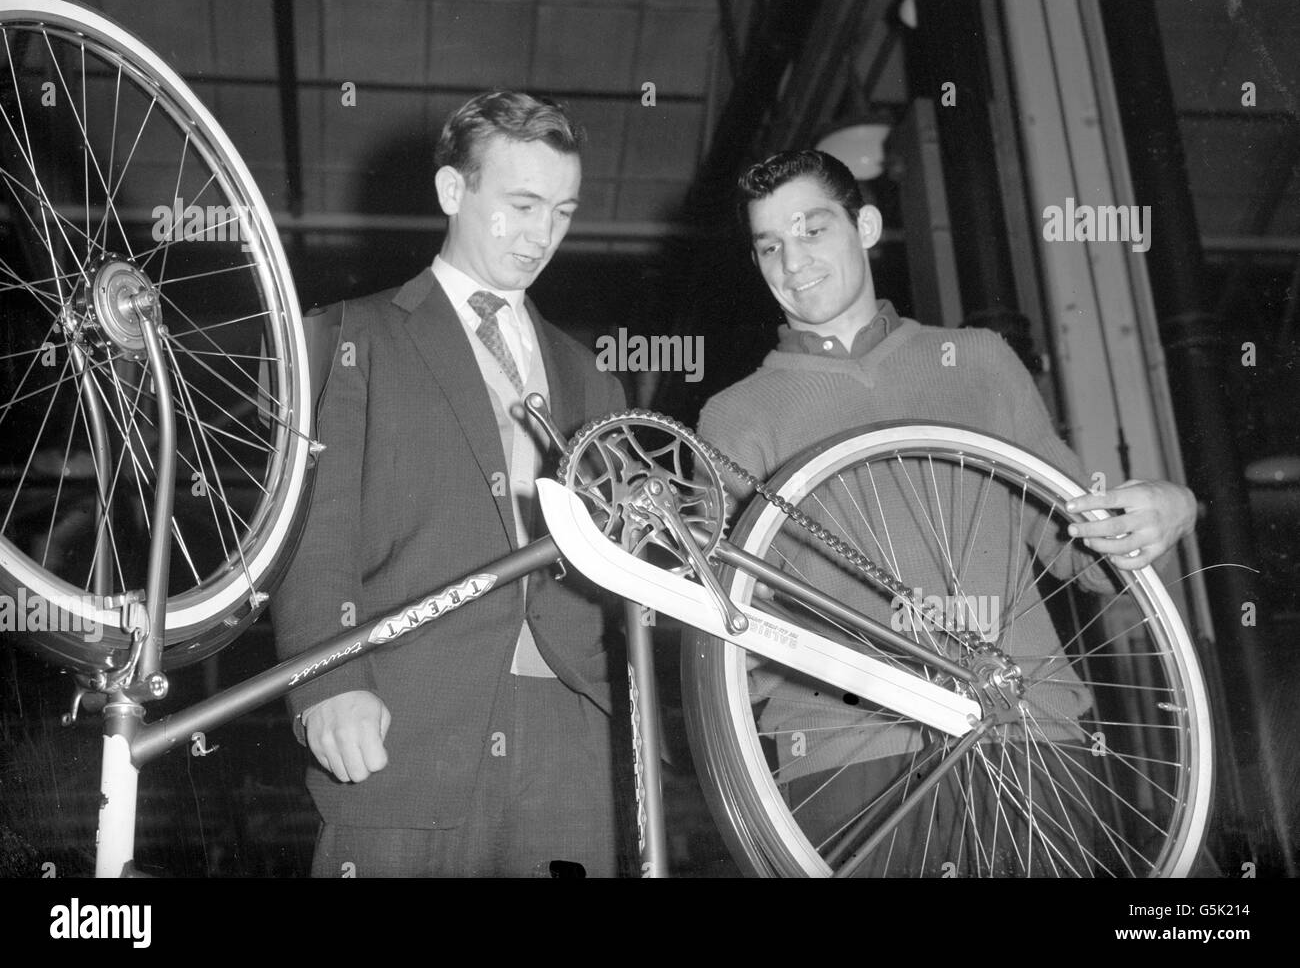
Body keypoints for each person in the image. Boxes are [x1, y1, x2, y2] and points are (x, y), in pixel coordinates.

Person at [698, 149, 1198, 875]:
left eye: (812, 230)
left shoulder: (981, 362)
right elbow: (736, 618)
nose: (792, 261)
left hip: (1027, 733)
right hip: (849, 754)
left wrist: (1168, 505)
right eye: (770, 245)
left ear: (866, 226)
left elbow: (1079, 546)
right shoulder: (734, 416)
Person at [271, 91, 628, 877]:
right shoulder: (352, 333)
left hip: (576, 732)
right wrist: (327, 680)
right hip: (403, 714)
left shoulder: (590, 374)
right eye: (522, 204)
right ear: (451, 192)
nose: (543, 234)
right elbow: (314, 527)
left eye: (562, 211)